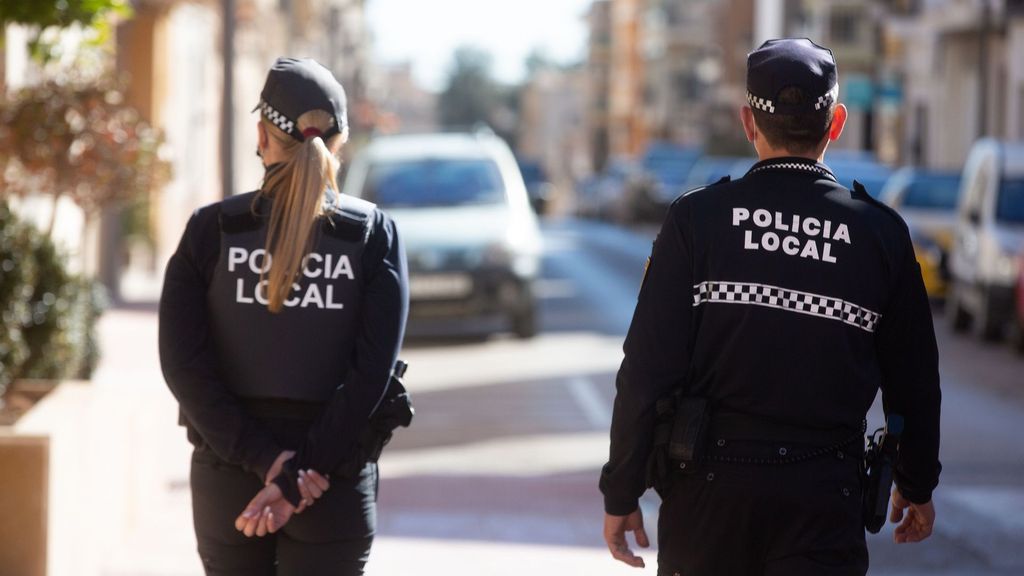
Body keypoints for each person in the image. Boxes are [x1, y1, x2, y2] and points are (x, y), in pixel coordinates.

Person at [600, 38, 941, 575]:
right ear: (837, 122)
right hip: (823, 503)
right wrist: (916, 483)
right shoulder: (881, 234)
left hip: (707, 503)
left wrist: (621, 490)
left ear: (747, 122)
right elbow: (914, 379)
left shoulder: (697, 220)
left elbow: (646, 369)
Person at [159, 57, 408, 576]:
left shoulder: (210, 230)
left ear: (262, 137)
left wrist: (265, 461)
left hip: (230, 478)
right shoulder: (372, 235)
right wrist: (301, 474)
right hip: (331, 483)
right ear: (339, 144)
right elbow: (371, 374)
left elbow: (183, 366)